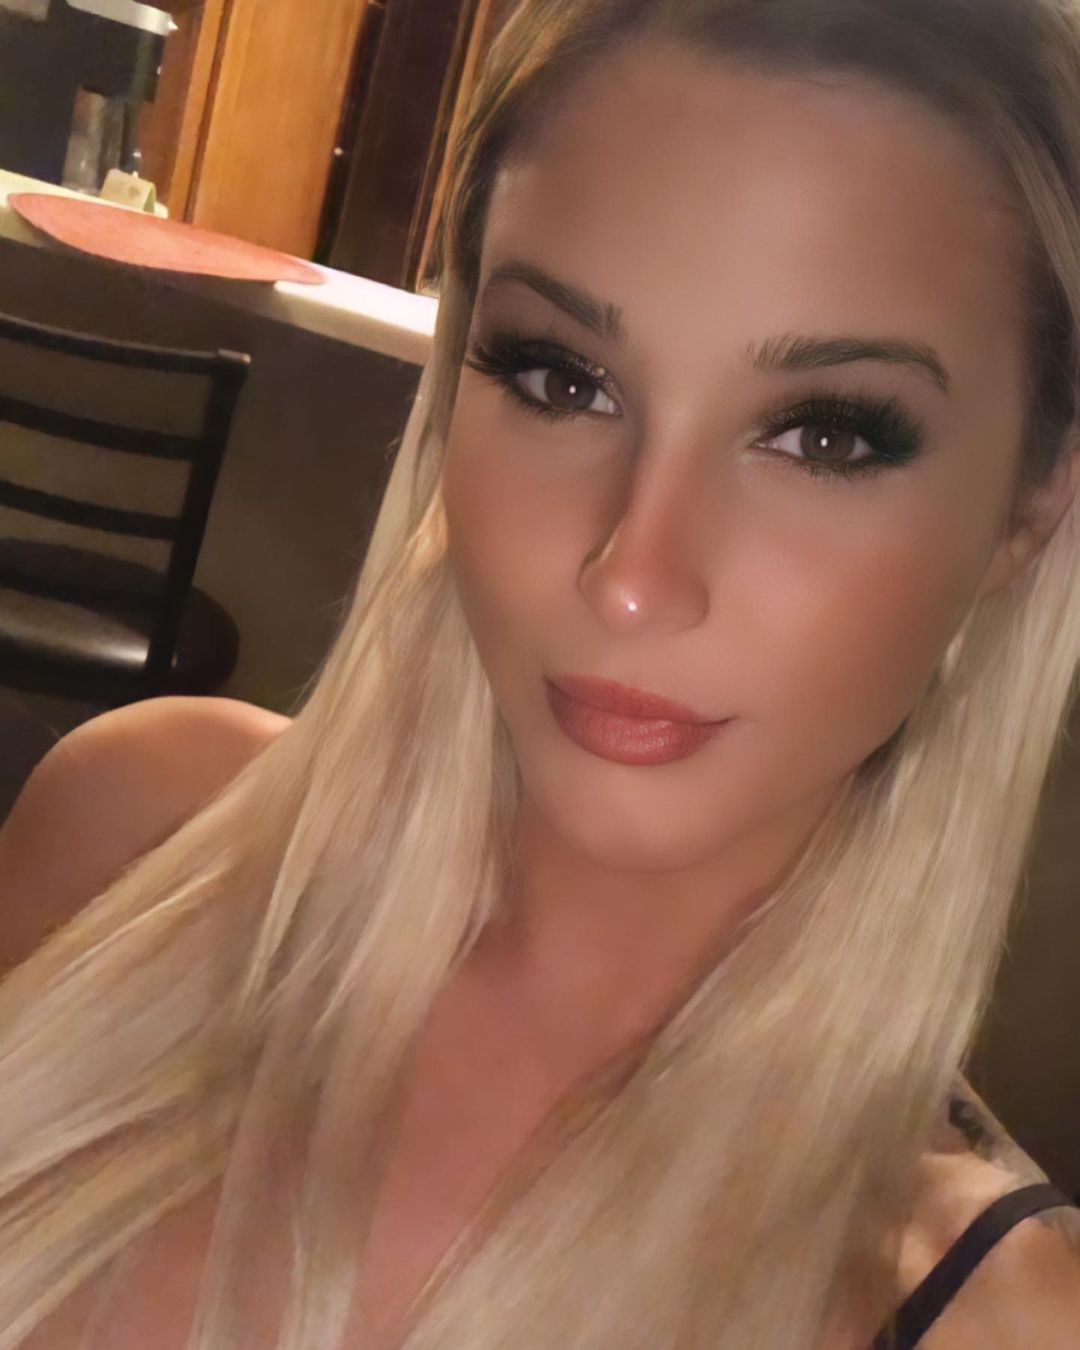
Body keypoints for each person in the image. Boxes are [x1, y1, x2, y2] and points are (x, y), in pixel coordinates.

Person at [3, 0, 1080, 1345]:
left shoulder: (992, 1314)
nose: (632, 574)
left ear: (1032, 501)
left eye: (826, 438)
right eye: (564, 379)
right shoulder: (129, 830)